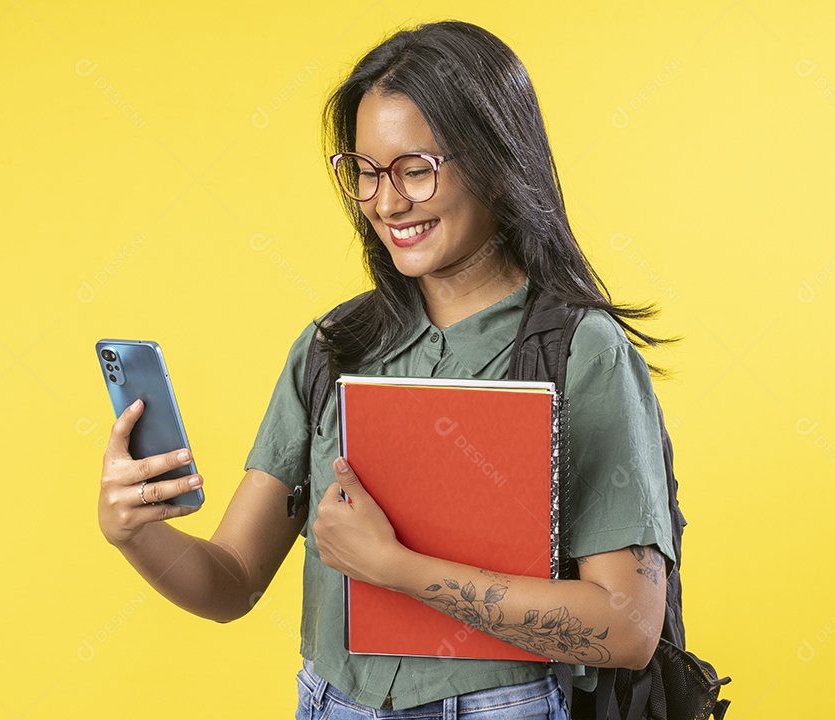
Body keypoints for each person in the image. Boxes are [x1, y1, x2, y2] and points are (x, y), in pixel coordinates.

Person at [98, 21, 674, 720]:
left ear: (496, 161)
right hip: (330, 702)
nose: (386, 201)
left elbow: (629, 626)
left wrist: (396, 569)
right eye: (365, 171)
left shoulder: (580, 353)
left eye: (414, 169)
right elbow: (232, 583)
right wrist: (136, 531)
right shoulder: (332, 347)